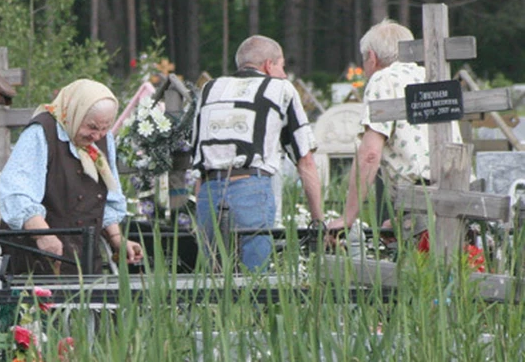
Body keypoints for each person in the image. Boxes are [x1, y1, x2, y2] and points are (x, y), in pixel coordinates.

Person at [191, 35, 324, 271]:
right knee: (255, 287)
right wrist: (318, 221)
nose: (284, 73)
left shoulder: (209, 89)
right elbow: (305, 160)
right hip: (250, 188)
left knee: (213, 283)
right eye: (282, 66)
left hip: (209, 193)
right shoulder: (280, 88)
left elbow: (199, 161)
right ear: (268, 65)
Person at [326, 19, 463, 248]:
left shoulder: (383, 78)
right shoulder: (434, 76)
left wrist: (346, 218)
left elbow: (370, 154)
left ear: (372, 57)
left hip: (423, 204)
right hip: (458, 197)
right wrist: (400, 219)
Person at [0, 79, 144, 276]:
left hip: (84, 258)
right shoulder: (42, 132)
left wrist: (117, 239)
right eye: (91, 127)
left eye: (105, 128)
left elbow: (107, 197)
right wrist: (43, 234)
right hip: (35, 257)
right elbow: (17, 193)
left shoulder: (102, 139)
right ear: (74, 113)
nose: (97, 136)